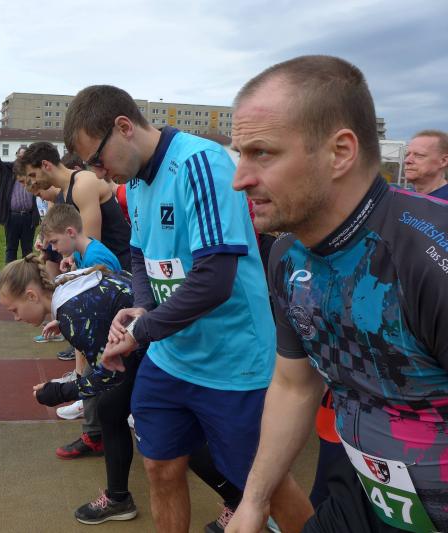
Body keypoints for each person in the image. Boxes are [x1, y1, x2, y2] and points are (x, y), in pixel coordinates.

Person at [63, 84, 311, 533]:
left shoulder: (200, 162)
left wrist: (141, 331)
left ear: (124, 127)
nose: (98, 173)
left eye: (97, 159)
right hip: (170, 358)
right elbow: (140, 254)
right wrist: (143, 307)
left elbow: (214, 279)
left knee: (265, 488)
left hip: (231, 362)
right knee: (160, 467)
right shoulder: (134, 182)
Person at [226, 55, 448, 533]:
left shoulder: (429, 257)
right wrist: (254, 500)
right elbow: (295, 384)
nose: (239, 178)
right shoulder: (286, 254)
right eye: (240, 153)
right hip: (363, 493)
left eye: (262, 153)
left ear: (340, 152)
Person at [0, 255, 143, 524]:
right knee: (110, 410)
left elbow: (108, 377)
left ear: (31, 296)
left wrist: (58, 392)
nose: (16, 318)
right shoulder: (64, 287)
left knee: (167, 436)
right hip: (150, 335)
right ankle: (118, 498)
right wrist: (67, 323)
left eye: (14, 310)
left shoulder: (72, 314)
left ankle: (231, 499)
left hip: (154, 346)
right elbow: (104, 293)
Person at [16, 142, 131, 272]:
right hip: (101, 268)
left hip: (118, 269)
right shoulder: (63, 192)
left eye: (33, 175)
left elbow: (90, 245)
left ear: (46, 165)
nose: (33, 182)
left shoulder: (83, 185)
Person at [0, 129, 39, 263]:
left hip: (29, 217)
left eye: (25, 157)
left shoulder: (34, 172)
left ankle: (28, 274)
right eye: (20, 156)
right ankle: (11, 275)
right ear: (16, 156)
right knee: (11, 249)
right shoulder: (7, 170)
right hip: (12, 217)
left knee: (28, 251)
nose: (22, 158)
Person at [404, 129, 448, 200]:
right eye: (407, 155)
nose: (407, 160)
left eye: (419, 155)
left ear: (443, 161)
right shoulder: (400, 198)